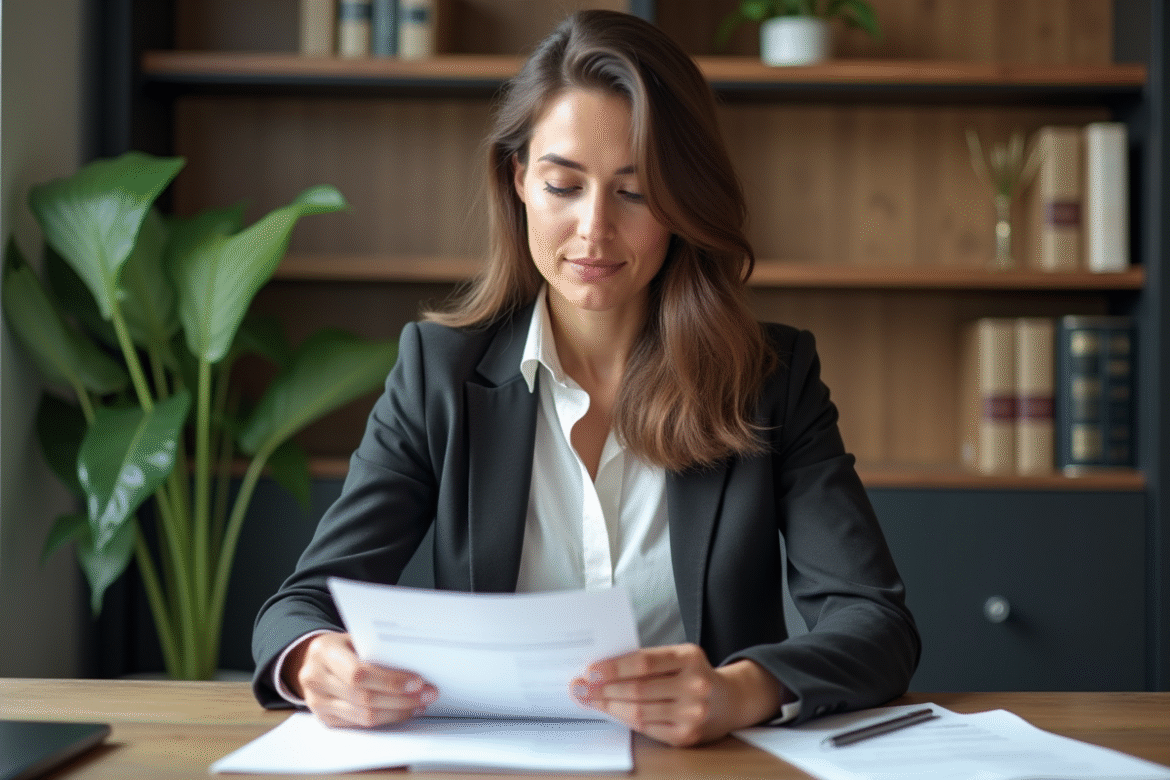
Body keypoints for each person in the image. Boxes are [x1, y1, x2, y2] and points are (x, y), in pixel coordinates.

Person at [252, 9, 920, 748]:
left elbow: (876, 624)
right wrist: (314, 659)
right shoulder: (438, 374)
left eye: (634, 193)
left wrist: (739, 691)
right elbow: (300, 605)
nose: (594, 230)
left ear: (682, 204)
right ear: (519, 181)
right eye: (563, 185)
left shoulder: (771, 379)